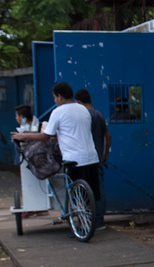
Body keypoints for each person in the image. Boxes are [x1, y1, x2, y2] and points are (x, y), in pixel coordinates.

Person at [13, 82, 102, 221]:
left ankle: (80, 225)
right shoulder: (83, 109)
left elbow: (45, 136)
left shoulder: (58, 111)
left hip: (74, 159)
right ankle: (92, 223)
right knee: (90, 195)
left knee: (76, 193)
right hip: (91, 156)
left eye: (54, 97)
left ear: (59, 96)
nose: (54, 100)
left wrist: (23, 136)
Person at [75, 89, 111, 229]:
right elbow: (108, 137)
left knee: (87, 191)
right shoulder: (98, 115)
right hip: (98, 159)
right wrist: (105, 154)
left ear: (78, 102)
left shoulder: (84, 117)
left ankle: (90, 220)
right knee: (99, 190)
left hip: (87, 159)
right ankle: (100, 219)